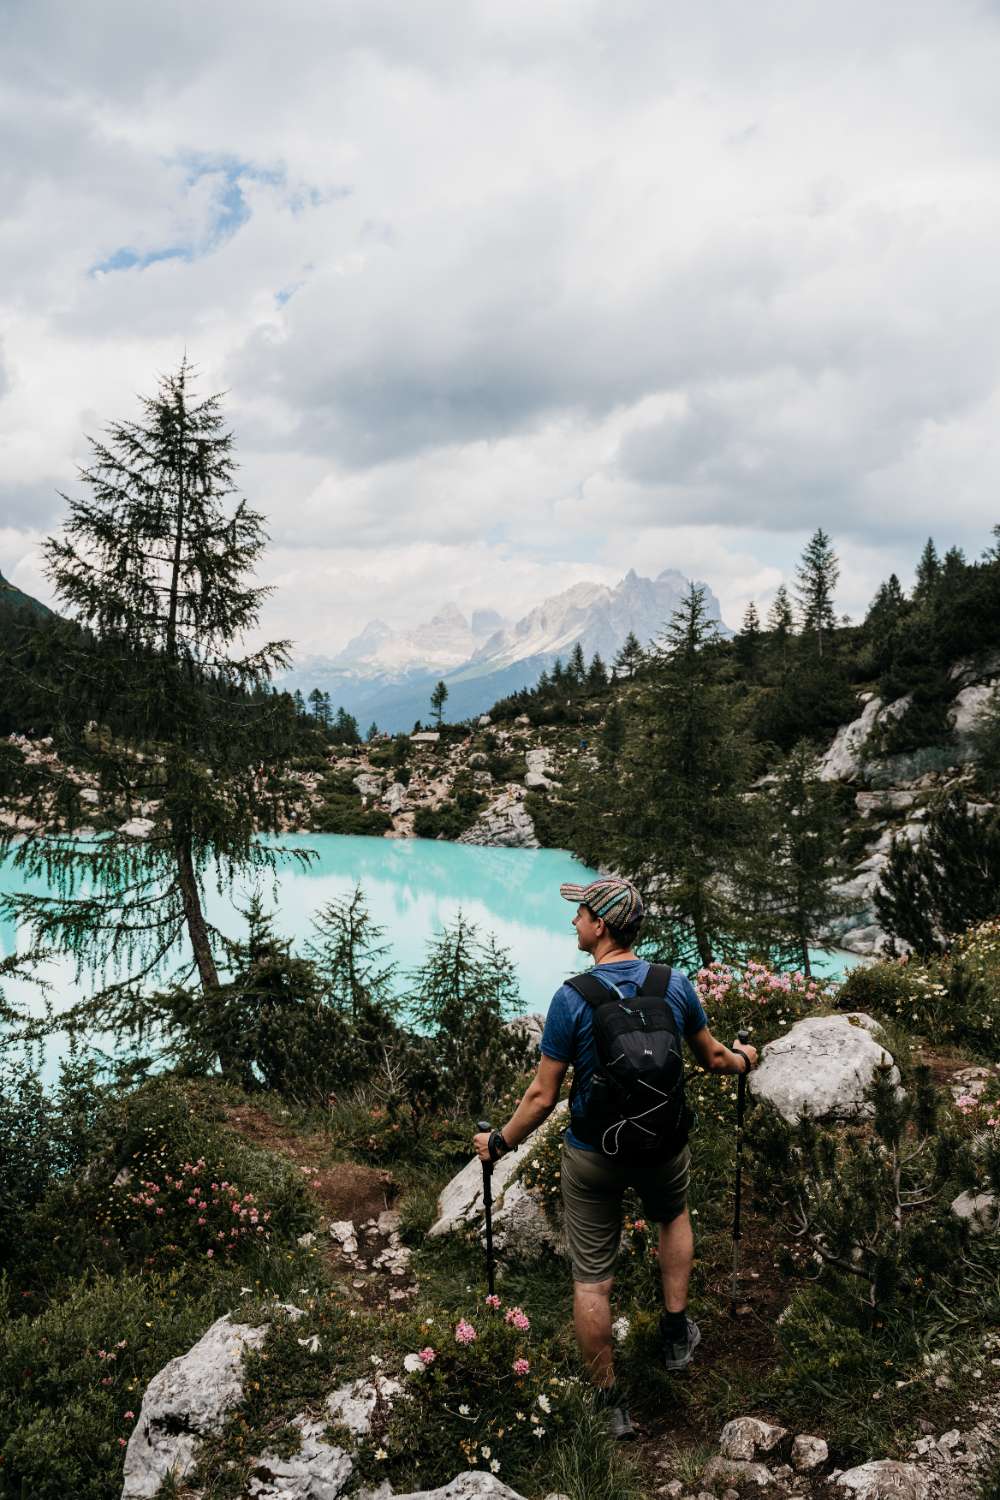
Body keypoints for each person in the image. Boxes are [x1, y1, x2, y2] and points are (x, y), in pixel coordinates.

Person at [473, 876, 757, 1440]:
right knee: (672, 1216)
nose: (573, 922)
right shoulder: (673, 984)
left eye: (579, 914)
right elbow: (714, 1059)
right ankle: (676, 1335)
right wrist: (748, 1057)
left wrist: (498, 1143)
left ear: (600, 925)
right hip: (663, 1143)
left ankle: (609, 1402)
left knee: (592, 1281)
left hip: (593, 1155)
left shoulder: (571, 996)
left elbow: (542, 1097)